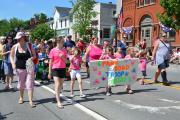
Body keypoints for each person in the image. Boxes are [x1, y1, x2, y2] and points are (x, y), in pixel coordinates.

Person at [10, 32, 37, 107]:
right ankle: (21, 97)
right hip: (19, 68)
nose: (18, 39)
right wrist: (13, 63)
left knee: (30, 83)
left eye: (19, 38)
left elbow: (34, 55)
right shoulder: (14, 47)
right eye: (17, 38)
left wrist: (31, 58)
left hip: (29, 67)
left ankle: (31, 101)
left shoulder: (29, 45)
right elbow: (11, 56)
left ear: (23, 37)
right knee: (21, 83)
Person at [48, 37, 67, 108]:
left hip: (62, 68)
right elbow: (50, 62)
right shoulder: (53, 50)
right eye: (62, 42)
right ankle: (58, 101)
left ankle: (57, 95)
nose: (63, 43)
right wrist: (49, 72)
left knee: (60, 85)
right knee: (57, 83)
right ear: (58, 42)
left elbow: (66, 61)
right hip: (55, 68)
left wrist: (62, 57)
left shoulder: (64, 50)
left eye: (63, 42)